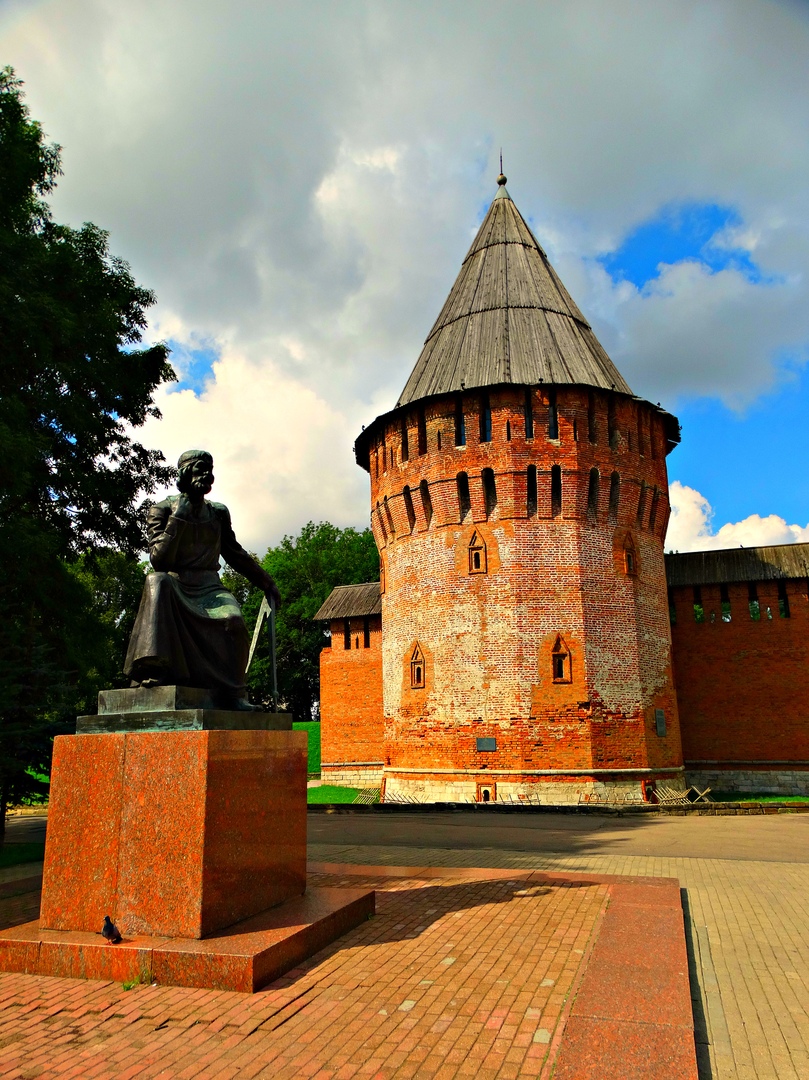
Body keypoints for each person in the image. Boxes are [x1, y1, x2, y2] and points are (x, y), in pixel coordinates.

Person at [124, 449, 281, 709]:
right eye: (200, 468)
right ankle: (156, 668)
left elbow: (235, 554)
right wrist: (179, 517)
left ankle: (233, 694)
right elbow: (159, 560)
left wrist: (267, 583)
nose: (207, 475)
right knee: (157, 581)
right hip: (175, 585)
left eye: (210, 469)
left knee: (233, 620)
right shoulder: (162, 510)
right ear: (184, 473)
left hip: (209, 587)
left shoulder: (218, 512)